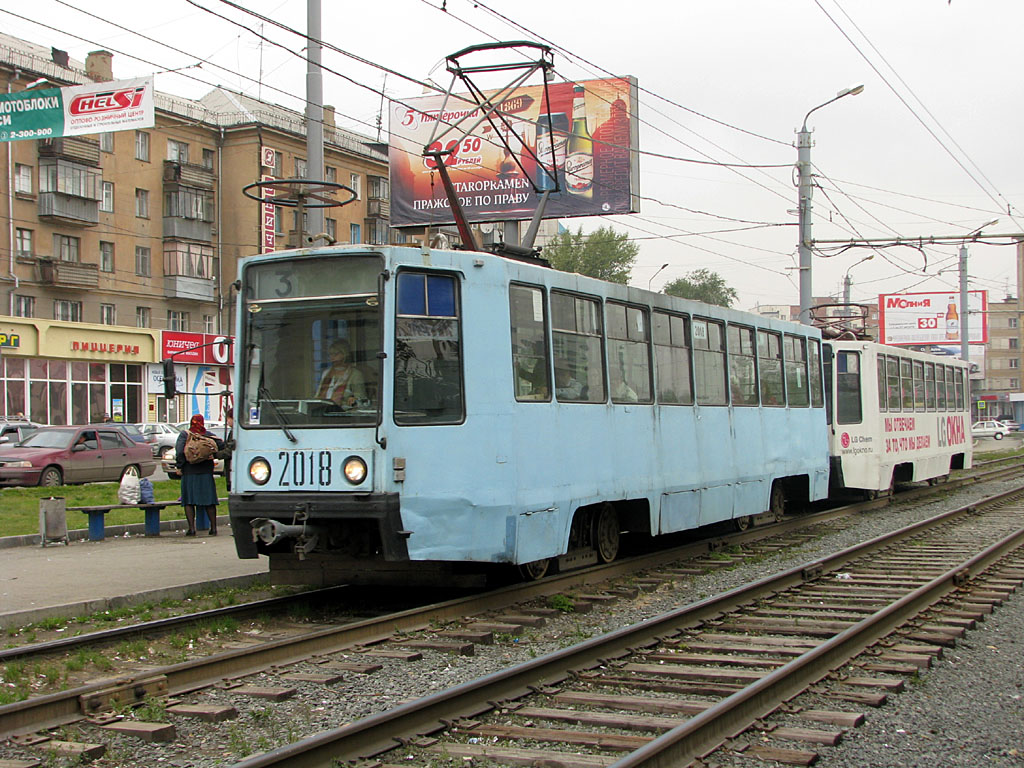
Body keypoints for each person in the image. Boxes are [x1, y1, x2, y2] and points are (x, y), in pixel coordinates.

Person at [174, 414, 224, 536]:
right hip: (206, 472)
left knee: (189, 501)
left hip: (189, 472)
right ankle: (213, 528)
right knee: (209, 501)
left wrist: (180, 466)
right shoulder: (208, 435)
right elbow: (222, 446)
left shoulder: (185, 435)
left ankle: (191, 529)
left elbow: (180, 451)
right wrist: (214, 456)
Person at [316, 340, 367, 407]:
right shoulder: (326, 373)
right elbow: (317, 397)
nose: (332, 358)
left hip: (344, 414)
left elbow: (362, 400)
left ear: (345, 354)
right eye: (330, 354)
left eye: (336, 354)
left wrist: (353, 400)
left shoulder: (355, 374)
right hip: (324, 412)